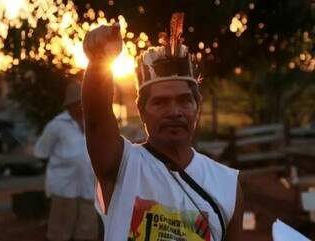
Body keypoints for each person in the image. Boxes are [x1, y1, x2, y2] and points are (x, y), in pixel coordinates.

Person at [82, 18, 243, 241]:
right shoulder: (121, 164)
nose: (174, 111)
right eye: (160, 102)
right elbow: (96, 120)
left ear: (197, 107)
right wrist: (100, 62)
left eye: (185, 101)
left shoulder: (227, 184)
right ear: (141, 110)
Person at [34, 82, 98, 241]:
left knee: (87, 234)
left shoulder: (94, 123)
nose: (83, 106)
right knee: (60, 234)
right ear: (70, 104)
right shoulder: (56, 125)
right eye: (79, 102)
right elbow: (41, 152)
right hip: (63, 187)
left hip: (89, 186)